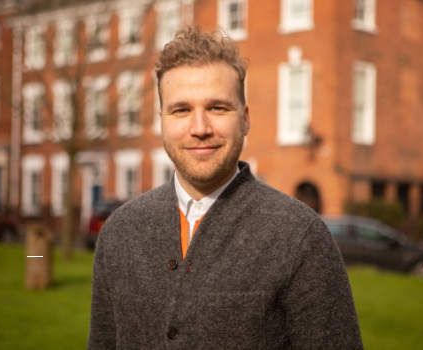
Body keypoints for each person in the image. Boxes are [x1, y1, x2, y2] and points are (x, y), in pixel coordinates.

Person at [88, 26, 364, 350]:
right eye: (181, 110)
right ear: (161, 120)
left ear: (245, 119)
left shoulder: (300, 236)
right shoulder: (119, 232)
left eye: (218, 108)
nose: (200, 128)